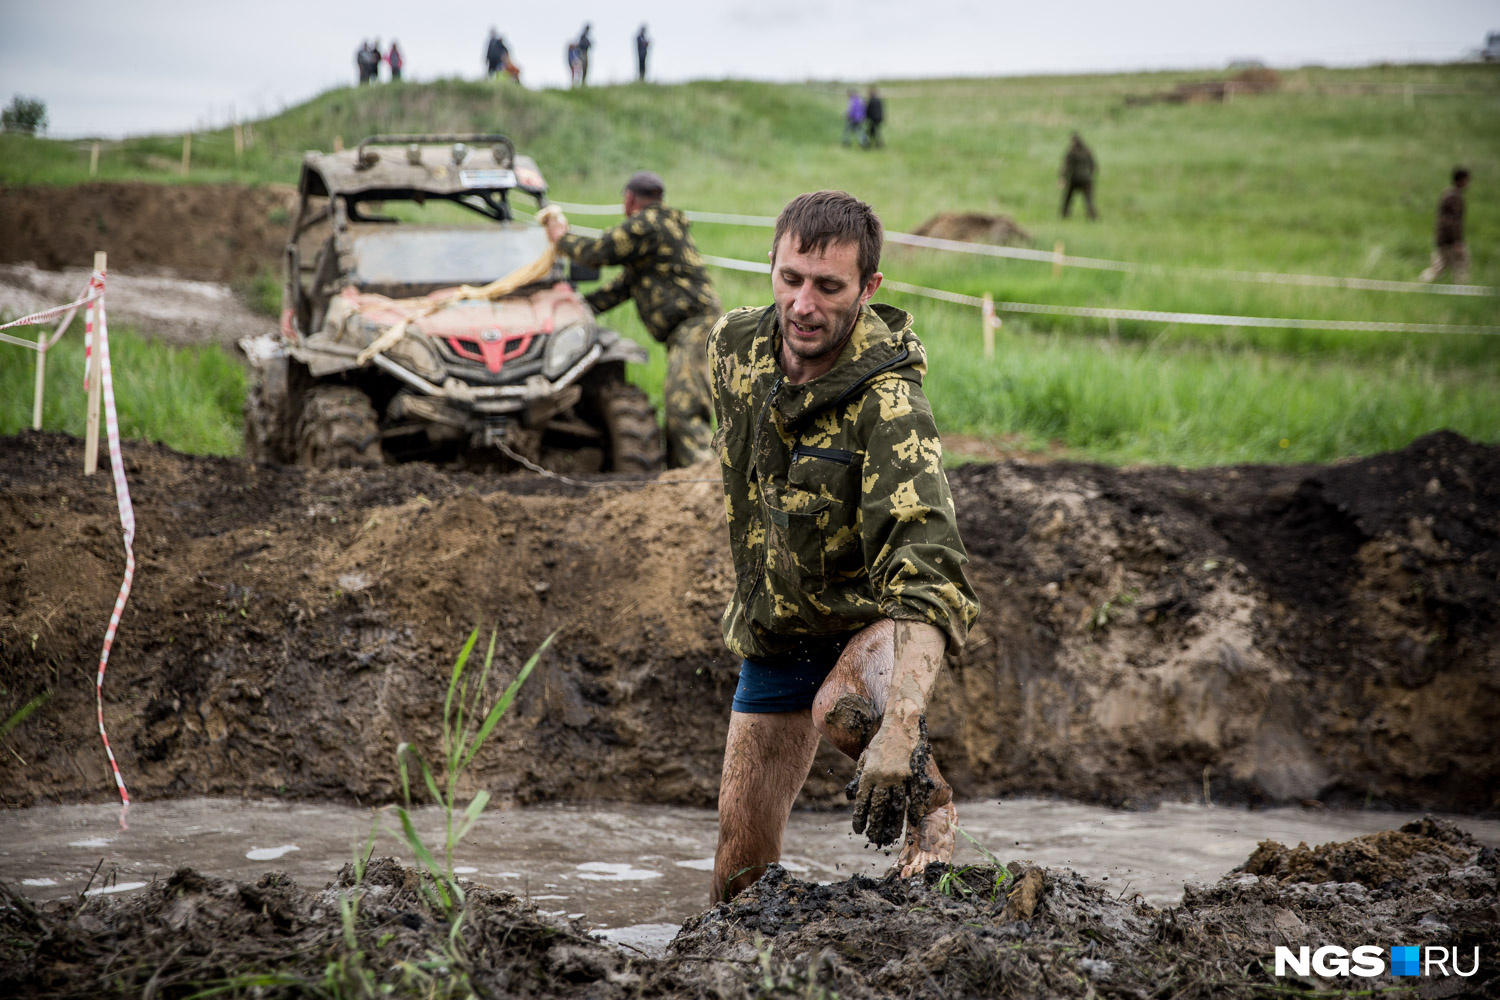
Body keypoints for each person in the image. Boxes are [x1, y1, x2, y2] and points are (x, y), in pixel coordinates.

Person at [705, 190, 980, 904]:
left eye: (829, 287)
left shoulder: (888, 405)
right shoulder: (733, 351)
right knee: (737, 871)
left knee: (843, 707)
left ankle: (931, 828)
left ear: (867, 289)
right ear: (770, 266)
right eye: (790, 279)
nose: (804, 304)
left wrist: (903, 724)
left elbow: (929, 570)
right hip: (778, 631)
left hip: (874, 625)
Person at [542, 171, 721, 467]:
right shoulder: (659, 230)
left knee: (683, 408)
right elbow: (620, 289)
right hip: (694, 326)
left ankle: (706, 488)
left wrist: (562, 238)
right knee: (680, 406)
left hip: (696, 325)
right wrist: (571, 310)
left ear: (628, 199)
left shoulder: (648, 223)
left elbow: (597, 252)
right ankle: (681, 484)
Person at [1420, 167, 1471, 283]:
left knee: (1439, 267)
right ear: (1461, 180)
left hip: (1444, 239)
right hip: (1449, 240)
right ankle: (1461, 290)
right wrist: (1455, 241)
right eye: (1466, 180)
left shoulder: (1450, 194)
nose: (1468, 184)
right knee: (1461, 265)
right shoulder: (1453, 197)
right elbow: (1451, 221)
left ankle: (1422, 282)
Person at [1059, 132, 1098, 220]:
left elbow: (1066, 166)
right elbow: (1093, 165)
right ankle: (1093, 217)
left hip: (1075, 179)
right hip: (1087, 179)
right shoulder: (1087, 151)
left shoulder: (1072, 152)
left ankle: (1064, 216)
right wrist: (1090, 175)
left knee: (1068, 198)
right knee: (1089, 200)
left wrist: (1062, 178)